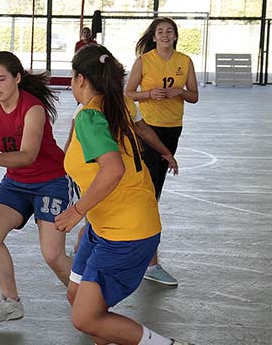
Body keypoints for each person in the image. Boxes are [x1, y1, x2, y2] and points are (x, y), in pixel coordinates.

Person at [55, 44, 193, 345]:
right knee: (76, 295)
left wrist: (77, 210)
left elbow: (113, 169)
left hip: (126, 233)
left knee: (85, 317)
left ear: (79, 79)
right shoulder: (114, 104)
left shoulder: (91, 117)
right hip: (105, 226)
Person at [0, 51, 73, 325]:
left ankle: (90, 300)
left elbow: (28, 155)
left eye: (1, 79)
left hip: (51, 181)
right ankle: (11, 303)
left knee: (53, 255)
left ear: (17, 78)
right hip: (16, 182)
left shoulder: (33, 108)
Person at [125, 17, 199, 286]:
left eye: (170, 31)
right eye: (161, 32)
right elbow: (129, 93)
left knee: (152, 189)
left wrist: (179, 91)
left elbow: (194, 96)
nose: (166, 35)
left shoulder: (185, 61)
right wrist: (149, 95)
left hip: (172, 129)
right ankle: (147, 259)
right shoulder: (145, 61)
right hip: (148, 129)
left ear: (175, 36)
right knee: (148, 191)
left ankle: (97, 237)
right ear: (154, 37)